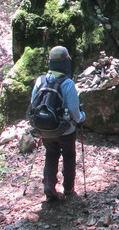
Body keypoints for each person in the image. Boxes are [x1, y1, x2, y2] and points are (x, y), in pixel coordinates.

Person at [31, 46, 85, 201]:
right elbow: (74, 109)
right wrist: (81, 117)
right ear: (66, 62)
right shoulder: (67, 83)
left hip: (44, 128)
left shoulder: (40, 80)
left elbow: (33, 103)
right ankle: (68, 188)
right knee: (68, 155)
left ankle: (49, 183)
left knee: (51, 154)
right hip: (65, 129)